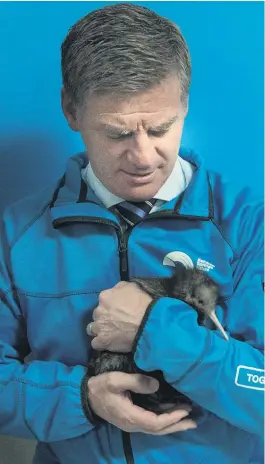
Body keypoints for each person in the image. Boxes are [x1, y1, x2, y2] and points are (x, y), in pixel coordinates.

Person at [0, 3, 263, 464]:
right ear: (70, 109)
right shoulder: (17, 233)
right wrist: (84, 399)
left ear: (185, 103)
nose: (143, 157)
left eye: (161, 128)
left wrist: (155, 330)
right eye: (117, 133)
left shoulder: (248, 225)